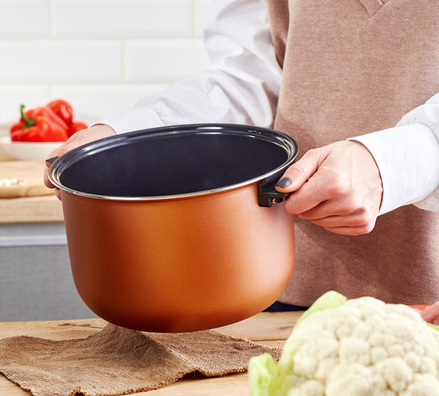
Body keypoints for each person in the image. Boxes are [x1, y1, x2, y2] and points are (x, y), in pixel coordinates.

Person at [43, 0, 439, 316]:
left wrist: (392, 164)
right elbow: (250, 76)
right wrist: (127, 135)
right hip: (282, 288)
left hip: (427, 299)